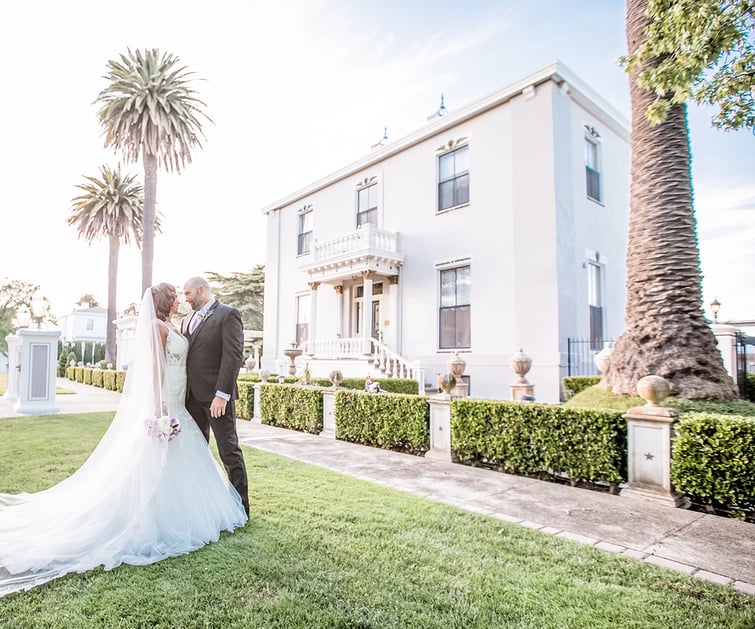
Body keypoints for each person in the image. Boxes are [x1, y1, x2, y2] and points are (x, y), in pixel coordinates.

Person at [0, 284, 247, 598]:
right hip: (167, 402)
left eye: (180, 295)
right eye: (174, 296)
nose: (178, 300)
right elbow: (157, 368)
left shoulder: (178, 325)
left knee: (190, 455)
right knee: (159, 458)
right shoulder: (158, 327)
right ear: (164, 302)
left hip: (182, 400)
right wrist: (159, 407)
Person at [182, 277, 249, 515]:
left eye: (188, 293)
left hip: (216, 400)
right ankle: (202, 506)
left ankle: (240, 508)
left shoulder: (227, 314)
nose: (185, 298)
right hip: (190, 400)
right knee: (196, 452)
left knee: (228, 451)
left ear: (201, 290)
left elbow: (233, 357)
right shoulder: (186, 319)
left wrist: (222, 395)